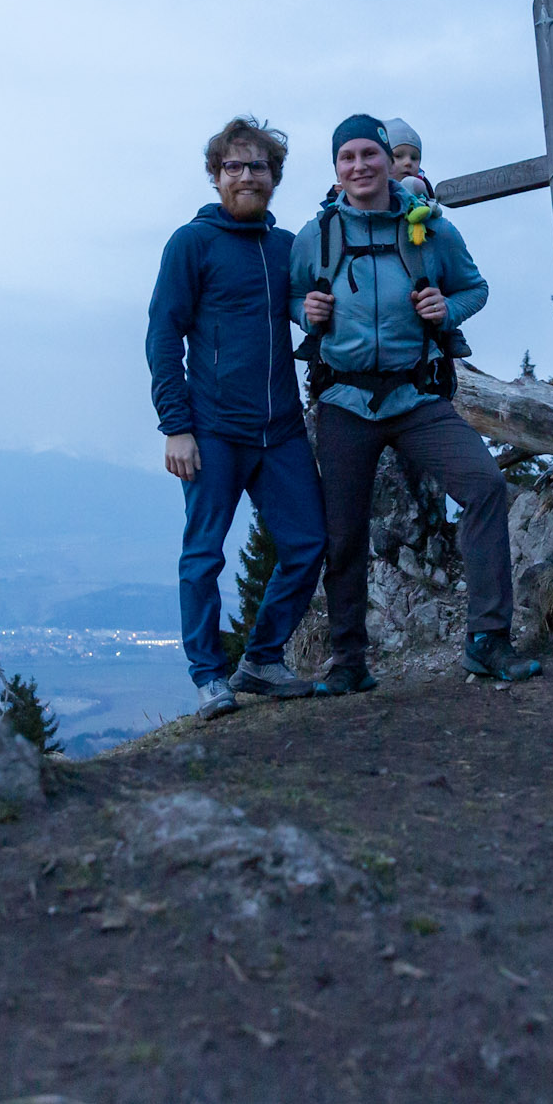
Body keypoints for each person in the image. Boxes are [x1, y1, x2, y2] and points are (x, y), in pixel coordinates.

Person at [290, 114, 542, 694]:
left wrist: (444, 312)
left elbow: (474, 287)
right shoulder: (318, 235)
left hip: (416, 393)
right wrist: (308, 314)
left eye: (368, 155)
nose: (359, 166)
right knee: (343, 529)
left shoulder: (427, 227)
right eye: (346, 157)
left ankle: (488, 641)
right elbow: (287, 295)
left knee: (483, 487)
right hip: (344, 396)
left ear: (388, 159)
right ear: (336, 168)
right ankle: (349, 661)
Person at [146, 117, 325, 719]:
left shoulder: (287, 247)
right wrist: (176, 425)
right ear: (216, 176)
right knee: (204, 554)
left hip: (282, 430)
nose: (247, 175)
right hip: (213, 429)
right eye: (234, 166)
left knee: (307, 543)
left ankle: (262, 659)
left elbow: (303, 310)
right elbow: (162, 337)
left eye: (258, 166)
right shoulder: (190, 243)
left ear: (274, 176)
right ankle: (208, 677)